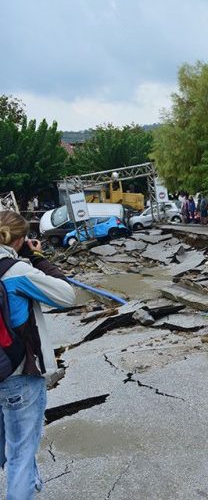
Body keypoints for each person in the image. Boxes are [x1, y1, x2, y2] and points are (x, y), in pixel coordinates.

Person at [0, 211, 76, 498]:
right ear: (19, 240)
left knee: (10, 448)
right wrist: (37, 258)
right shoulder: (15, 271)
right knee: (21, 453)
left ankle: (28, 485)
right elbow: (66, 295)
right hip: (18, 375)